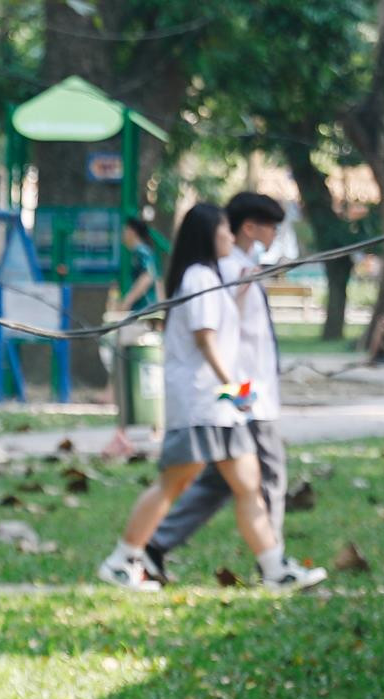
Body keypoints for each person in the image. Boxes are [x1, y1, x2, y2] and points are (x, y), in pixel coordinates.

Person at [96, 202, 326, 593]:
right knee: (174, 484)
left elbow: (226, 326)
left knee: (248, 483)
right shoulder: (199, 276)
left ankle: (275, 569)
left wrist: (243, 288)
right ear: (209, 235)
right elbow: (206, 340)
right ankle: (123, 559)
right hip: (202, 402)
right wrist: (236, 391)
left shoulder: (213, 277)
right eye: (223, 231)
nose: (229, 237)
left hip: (220, 405)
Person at [143, 192, 289, 584]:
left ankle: (153, 547)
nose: (275, 233)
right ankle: (273, 564)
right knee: (262, 477)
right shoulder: (217, 272)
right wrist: (237, 391)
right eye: (270, 224)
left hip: (243, 394)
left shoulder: (239, 269)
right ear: (248, 228)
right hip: (241, 395)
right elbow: (212, 338)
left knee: (226, 481)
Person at [106, 215, 164, 457]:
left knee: (128, 359)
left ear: (132, 231)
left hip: (138, 314)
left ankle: (130, 425)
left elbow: (148, 277)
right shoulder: (146, 251)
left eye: (124, 230)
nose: (122, 235)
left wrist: (126, 302)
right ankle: (153, 424)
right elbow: (158, 281)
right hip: (148, 314)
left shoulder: (140, 251)